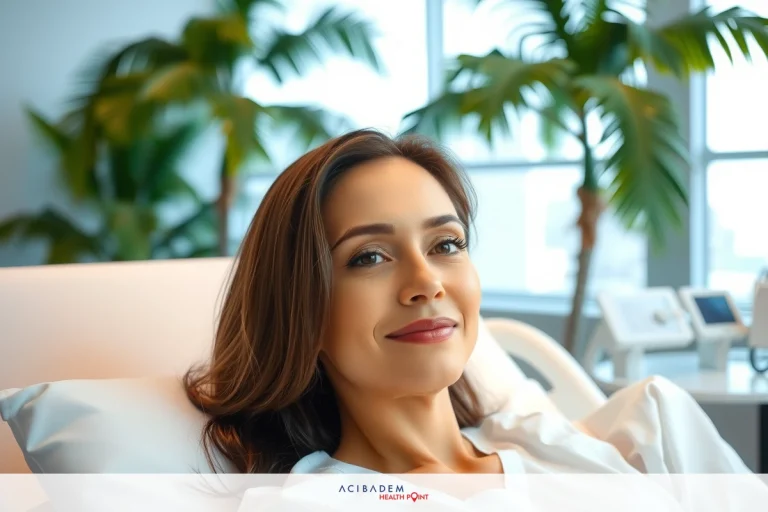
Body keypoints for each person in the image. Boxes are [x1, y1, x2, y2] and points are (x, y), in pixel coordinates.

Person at [184, 128, 750, 476]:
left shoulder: (587, 444)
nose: (426, 282)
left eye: (446, 244)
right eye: (369, 257)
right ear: (299, 308)